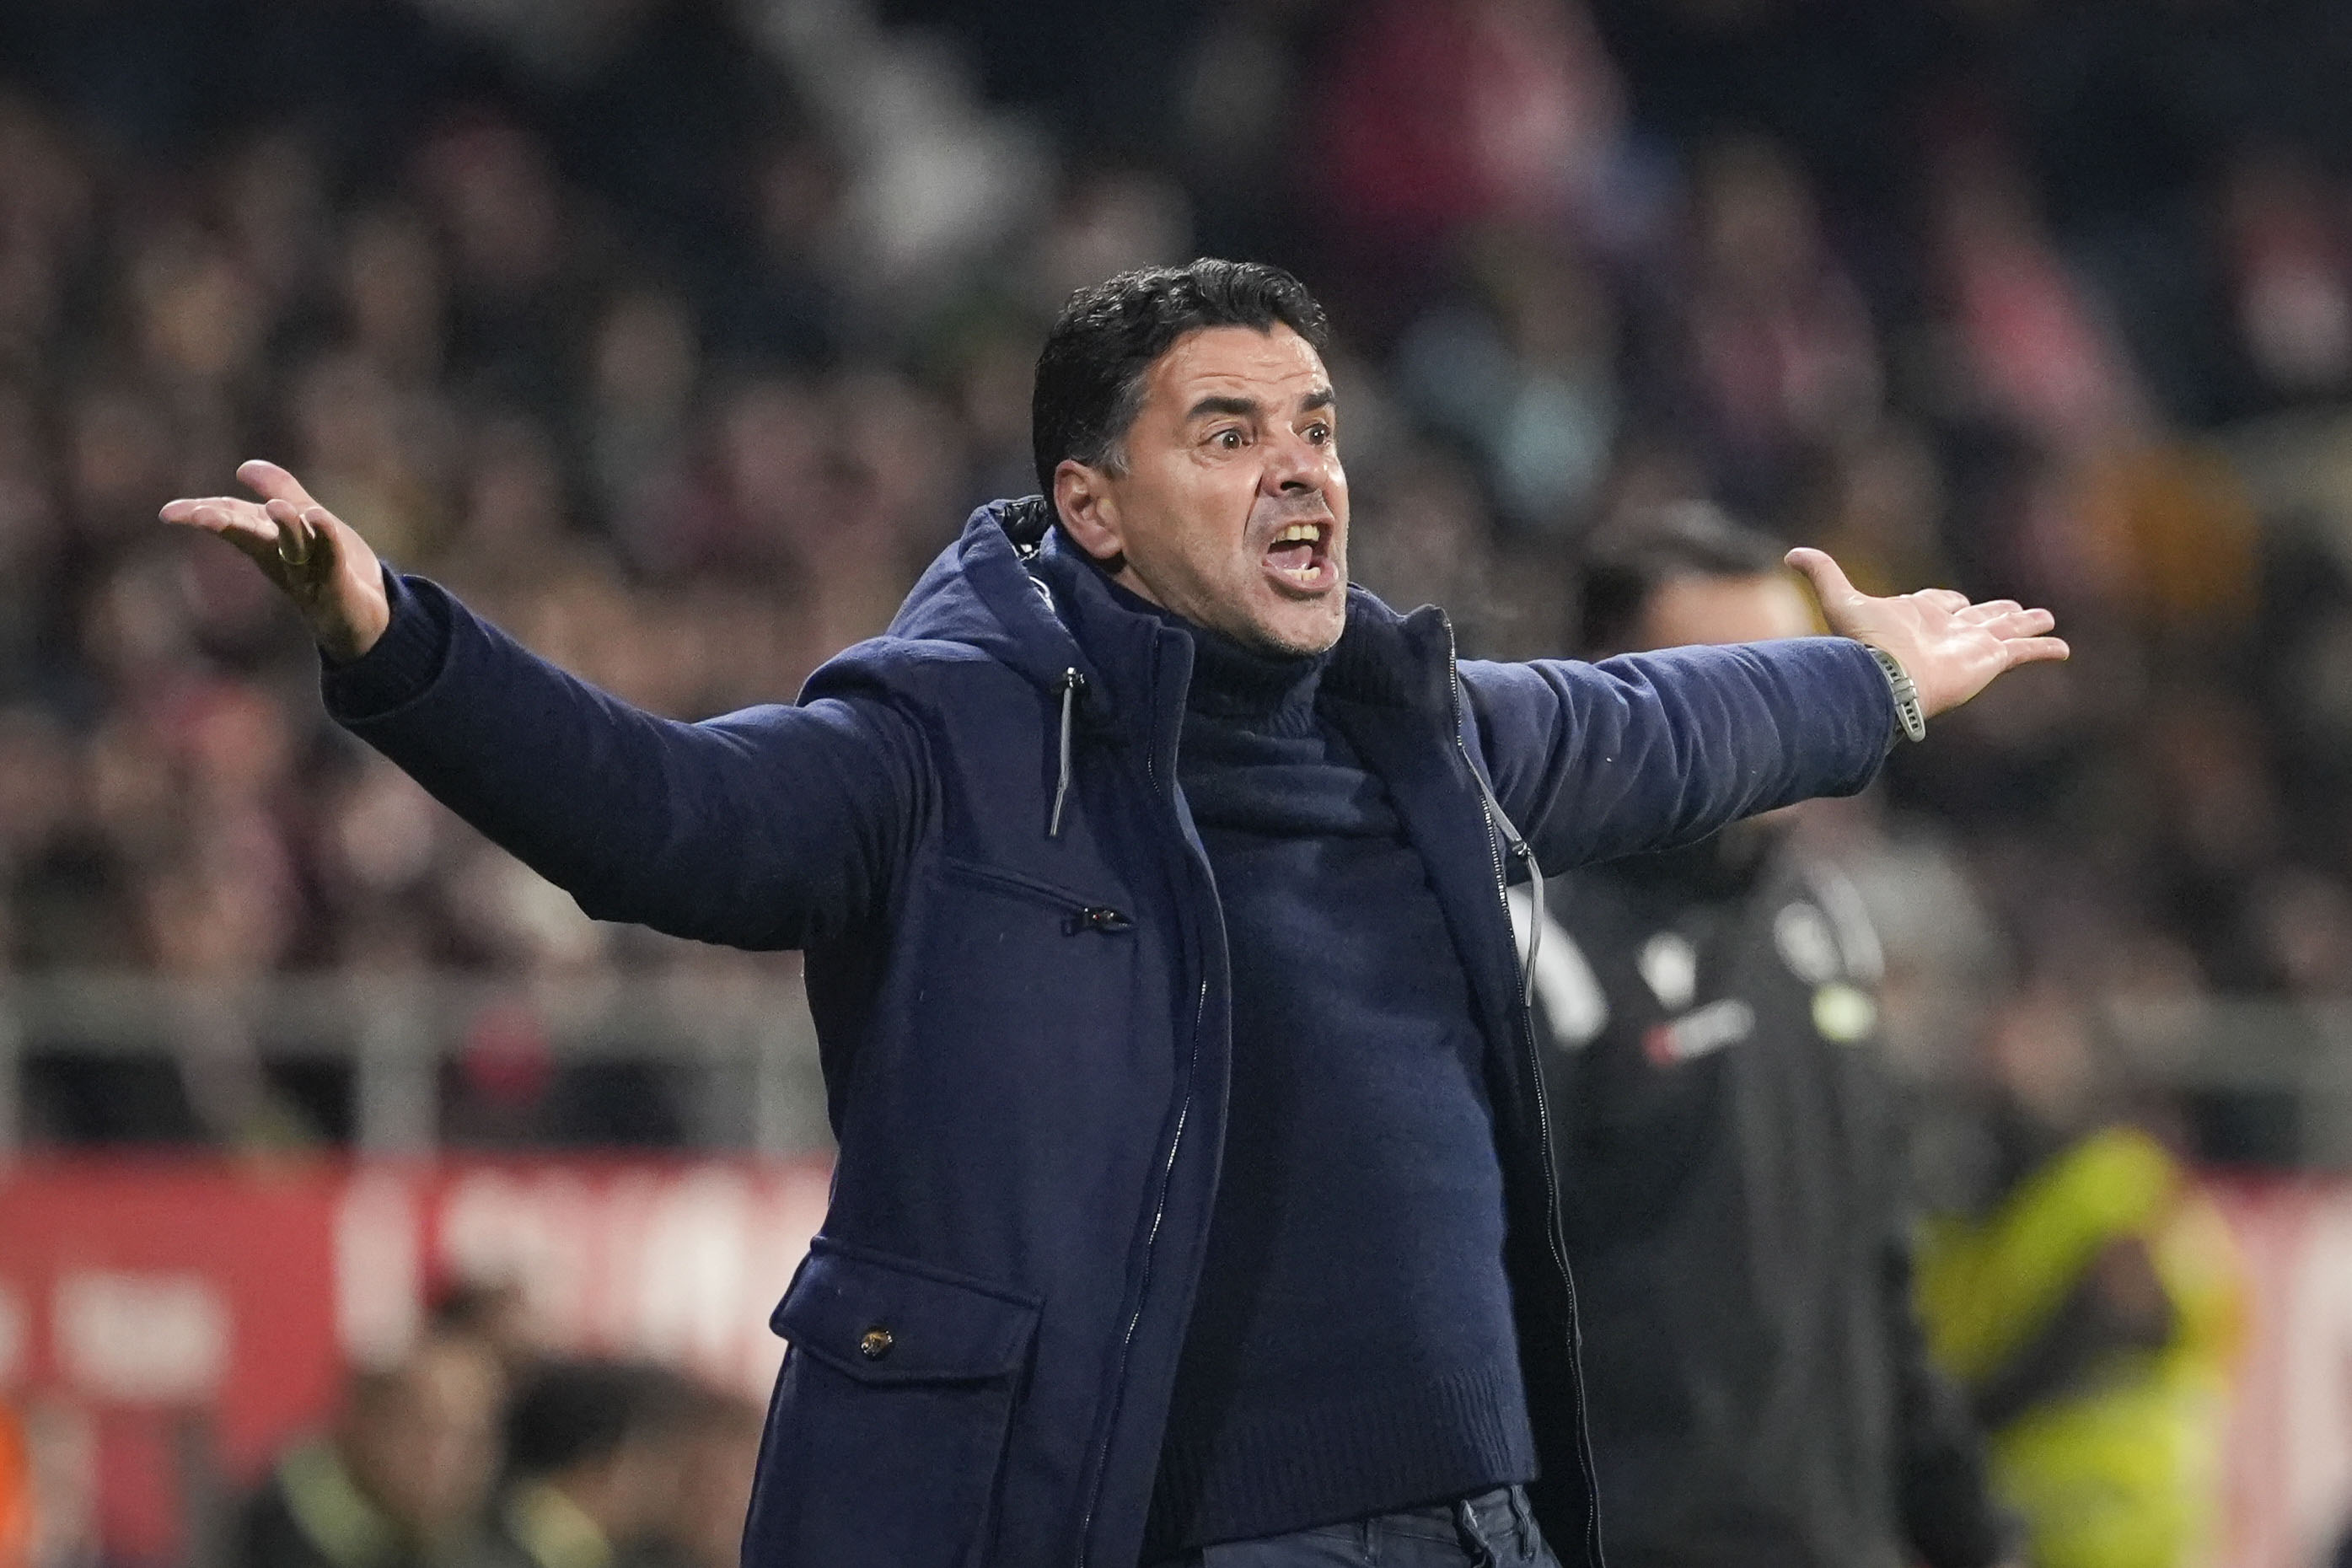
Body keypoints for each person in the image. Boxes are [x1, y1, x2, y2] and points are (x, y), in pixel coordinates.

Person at [162, 259, 2066, 1568]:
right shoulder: (943, 737)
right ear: (1089, 502)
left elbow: (1658, 721)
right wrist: (401, 642)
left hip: (1471, 1517)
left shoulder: (1417, 727)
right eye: (1226, 432)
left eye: (1313, 424)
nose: (1302, 467)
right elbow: (664, 818)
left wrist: (1869, 682)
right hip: (1148, 1517)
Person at [1519, 505, 2014, 1568]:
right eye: (1728, 679)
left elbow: (1875, 1283)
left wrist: (1973, 1536)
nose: (1775, 715)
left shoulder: (1819, 923)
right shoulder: (1537, 953)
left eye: (1790, 671)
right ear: (1610, 691)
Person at [1914, 987, 2242, 1568]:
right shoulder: (1963, 1209)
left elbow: (2173, 1321)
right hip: (2012, 1515)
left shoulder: (2117, 1185)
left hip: (2120, 1515)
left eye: (2032, 1052)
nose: (2005, 1076)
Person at [231, 1334, 506, 1568]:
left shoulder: (495, 1542)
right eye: (422, 1430)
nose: (444, 1460)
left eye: (470, 1438)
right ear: (364, 1425)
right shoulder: (269, 1535)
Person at [463, 1361, 699, 1568]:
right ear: (597, 1461)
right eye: (651, 1454)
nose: (666, 1479)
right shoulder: (499, 1549)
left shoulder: (502, 1530)